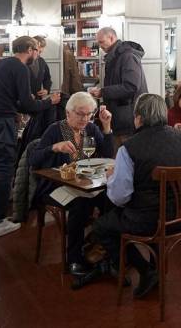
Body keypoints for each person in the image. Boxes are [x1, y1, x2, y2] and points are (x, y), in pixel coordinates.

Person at [91, 94, 181, 298]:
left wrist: (112, 178)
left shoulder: (129, 148)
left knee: (102, 227)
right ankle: (154, 270)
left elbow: (120, 197)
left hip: (147, 222)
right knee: (140, 210)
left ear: (138, 118)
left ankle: (146, 271)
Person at [0, 36, 61, 238]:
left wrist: (26, 106)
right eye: (37, 50)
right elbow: (27, 105)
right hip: (1, 122)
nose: (37, 54)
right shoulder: (21, 68)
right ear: (29, 49)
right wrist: (50, 102)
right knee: (4, 168)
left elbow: (14, 101)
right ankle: (1, 221)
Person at [28, 92, 115, 276]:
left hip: (84, 184)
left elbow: (107, 155)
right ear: (68, 113)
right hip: (55, 186)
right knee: (81, 205)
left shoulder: (90, 129)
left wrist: (106, 128)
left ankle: (101, 248)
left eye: (89, 114)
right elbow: (33, 159)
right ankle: (74, 258)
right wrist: (54, 147)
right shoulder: (54, 130)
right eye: (80, 114)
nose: (85, 118)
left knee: (110, 199)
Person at [89, 27, 147, 142]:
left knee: (123, 156)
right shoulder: (116, 56)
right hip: (120, 116)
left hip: (128, 118)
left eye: (101, 42)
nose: (100, 46)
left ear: (111, 38)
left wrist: (103, 92)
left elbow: (131, 87)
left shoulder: (127, 56)